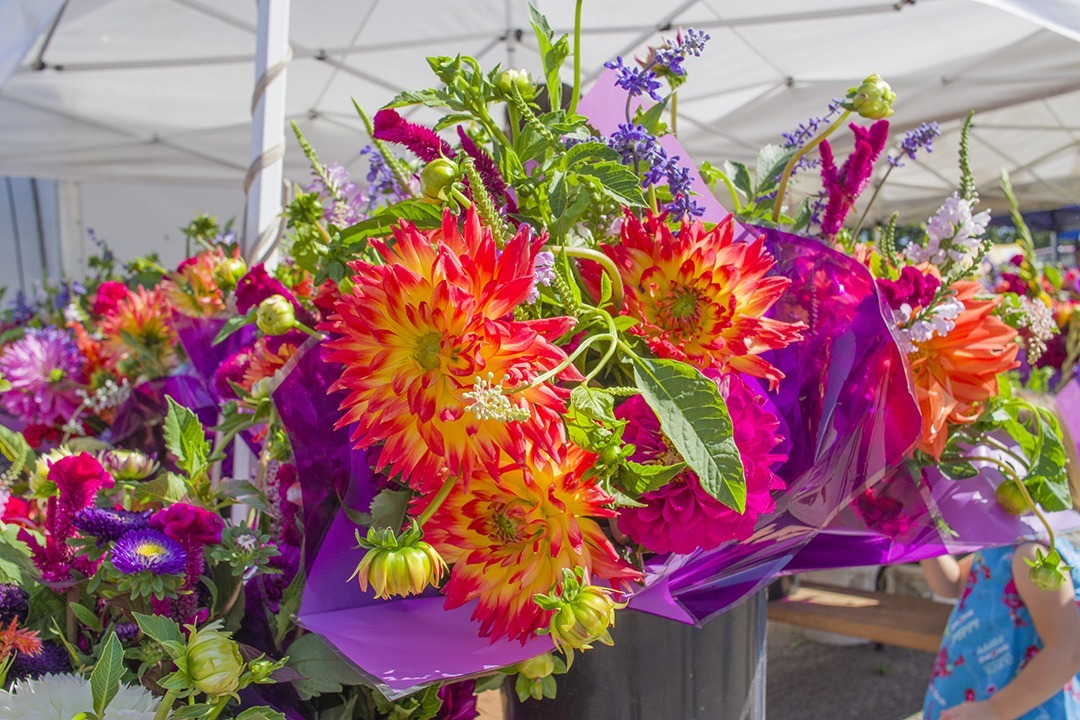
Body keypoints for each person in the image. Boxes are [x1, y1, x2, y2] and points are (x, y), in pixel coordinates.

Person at [920, 535, 1080, 719]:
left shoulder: (1032, 556)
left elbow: (1067, 652)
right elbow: (953, 585)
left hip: (1017, 709)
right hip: (976, 700)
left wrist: (996, 709)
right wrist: (924, 536)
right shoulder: (1002, 542)